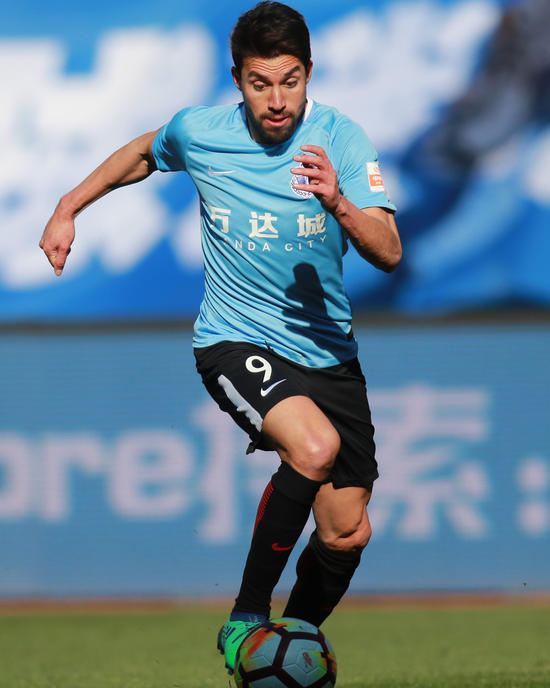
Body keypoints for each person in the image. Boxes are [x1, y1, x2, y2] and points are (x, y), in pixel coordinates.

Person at [40, 1, 401, 676]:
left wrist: (339, 205)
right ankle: (246, 617)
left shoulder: (343, 141)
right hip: (235, 340)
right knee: (313, 448)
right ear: (237, 80)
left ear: (309, 73)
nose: (277, 100)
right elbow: (142, 153)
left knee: (347, 530)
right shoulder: (201, 132)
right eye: (261, 83)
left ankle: (280, 653)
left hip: (329, 354)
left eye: (290, 81)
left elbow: (389, 251)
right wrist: (68, 207)